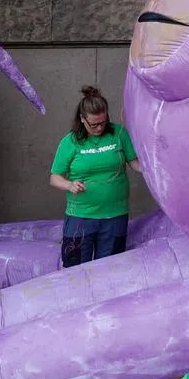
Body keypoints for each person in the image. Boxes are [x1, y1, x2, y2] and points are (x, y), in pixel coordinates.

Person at [49, 86, 142, 268]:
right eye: (94, 124)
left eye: (103, 122)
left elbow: (135, 164)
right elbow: (55, 178)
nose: (99, 127)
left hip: (115, 214)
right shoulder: (71, 141)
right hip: (81, 217)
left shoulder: (119, 134)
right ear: (82, 119)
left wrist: (156, 167)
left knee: (110, 269)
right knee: (75, 269)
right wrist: (69, 185)